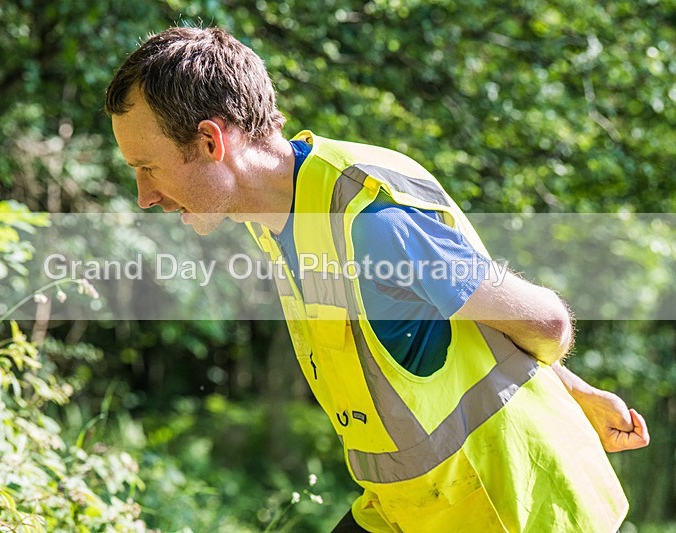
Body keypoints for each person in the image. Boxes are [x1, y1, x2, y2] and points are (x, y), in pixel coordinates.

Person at [104, 27, 649, 532]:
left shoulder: (370, 222)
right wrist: (577, 390)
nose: (144, 195)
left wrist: (568, 389)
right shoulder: (279, 216)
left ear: (209, 142)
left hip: (509, 501)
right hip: (412, 505)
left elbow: (546, 321)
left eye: (147, 166)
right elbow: (456, 330)